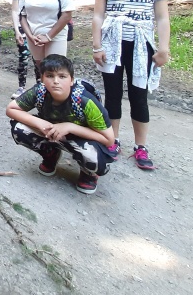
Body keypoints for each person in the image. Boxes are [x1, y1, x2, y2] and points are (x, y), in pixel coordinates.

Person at [92, 0, 171, 171]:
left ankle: (141, 146)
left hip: (141, 44)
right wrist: (97, 46)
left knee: (139, 96)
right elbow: (98, 15)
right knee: (112, 95)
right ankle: (112, 140)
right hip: (112, 43)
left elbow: (162, 17)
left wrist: (163, 48)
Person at [6, 55, 115, 195]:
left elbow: (109, 139)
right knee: (19, 129)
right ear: (42, 78)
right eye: (50, 76)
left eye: (62, 76)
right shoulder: (40, 92)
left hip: (83, 138)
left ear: (71, 80)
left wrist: (70, 126)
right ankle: (51, 154)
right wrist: (40, 122)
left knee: (93, 157)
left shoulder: (85, 101)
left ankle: (88, 173)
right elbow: (11, 109)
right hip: (52, 132)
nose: (56, 81)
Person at [19, 0, 75, 75]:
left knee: (55, 70)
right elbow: (22, 15)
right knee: (42, 71)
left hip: (56, 36)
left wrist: (48, 37)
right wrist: (30, 36)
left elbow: (67, 14)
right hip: (34, 38)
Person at [11, 0, 37, 96]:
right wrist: (16, 30)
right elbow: (15, 10)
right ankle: (21, 87)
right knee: (23, 56)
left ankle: (41, 86)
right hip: (22, 24)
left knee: (38, 58)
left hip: (37, 25)